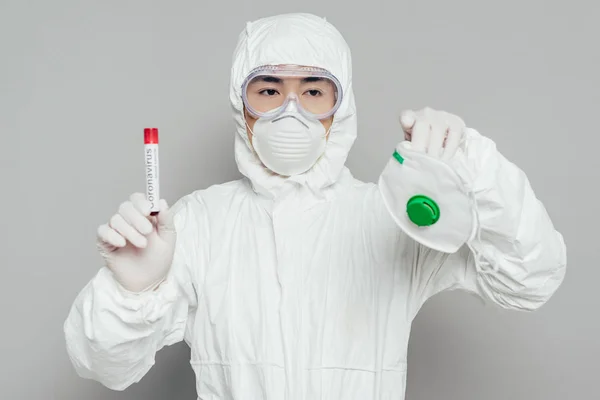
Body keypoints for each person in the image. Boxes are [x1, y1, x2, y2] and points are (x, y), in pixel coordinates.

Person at [64, 12, 567, 400]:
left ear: (339, 107)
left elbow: (530, 281)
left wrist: (475, 169)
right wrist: (133, 291)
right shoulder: (197, 223)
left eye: (312, 91)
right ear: (242, 107)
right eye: (268, 90)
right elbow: (107, 367)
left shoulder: (389, 217)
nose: (291, 111)